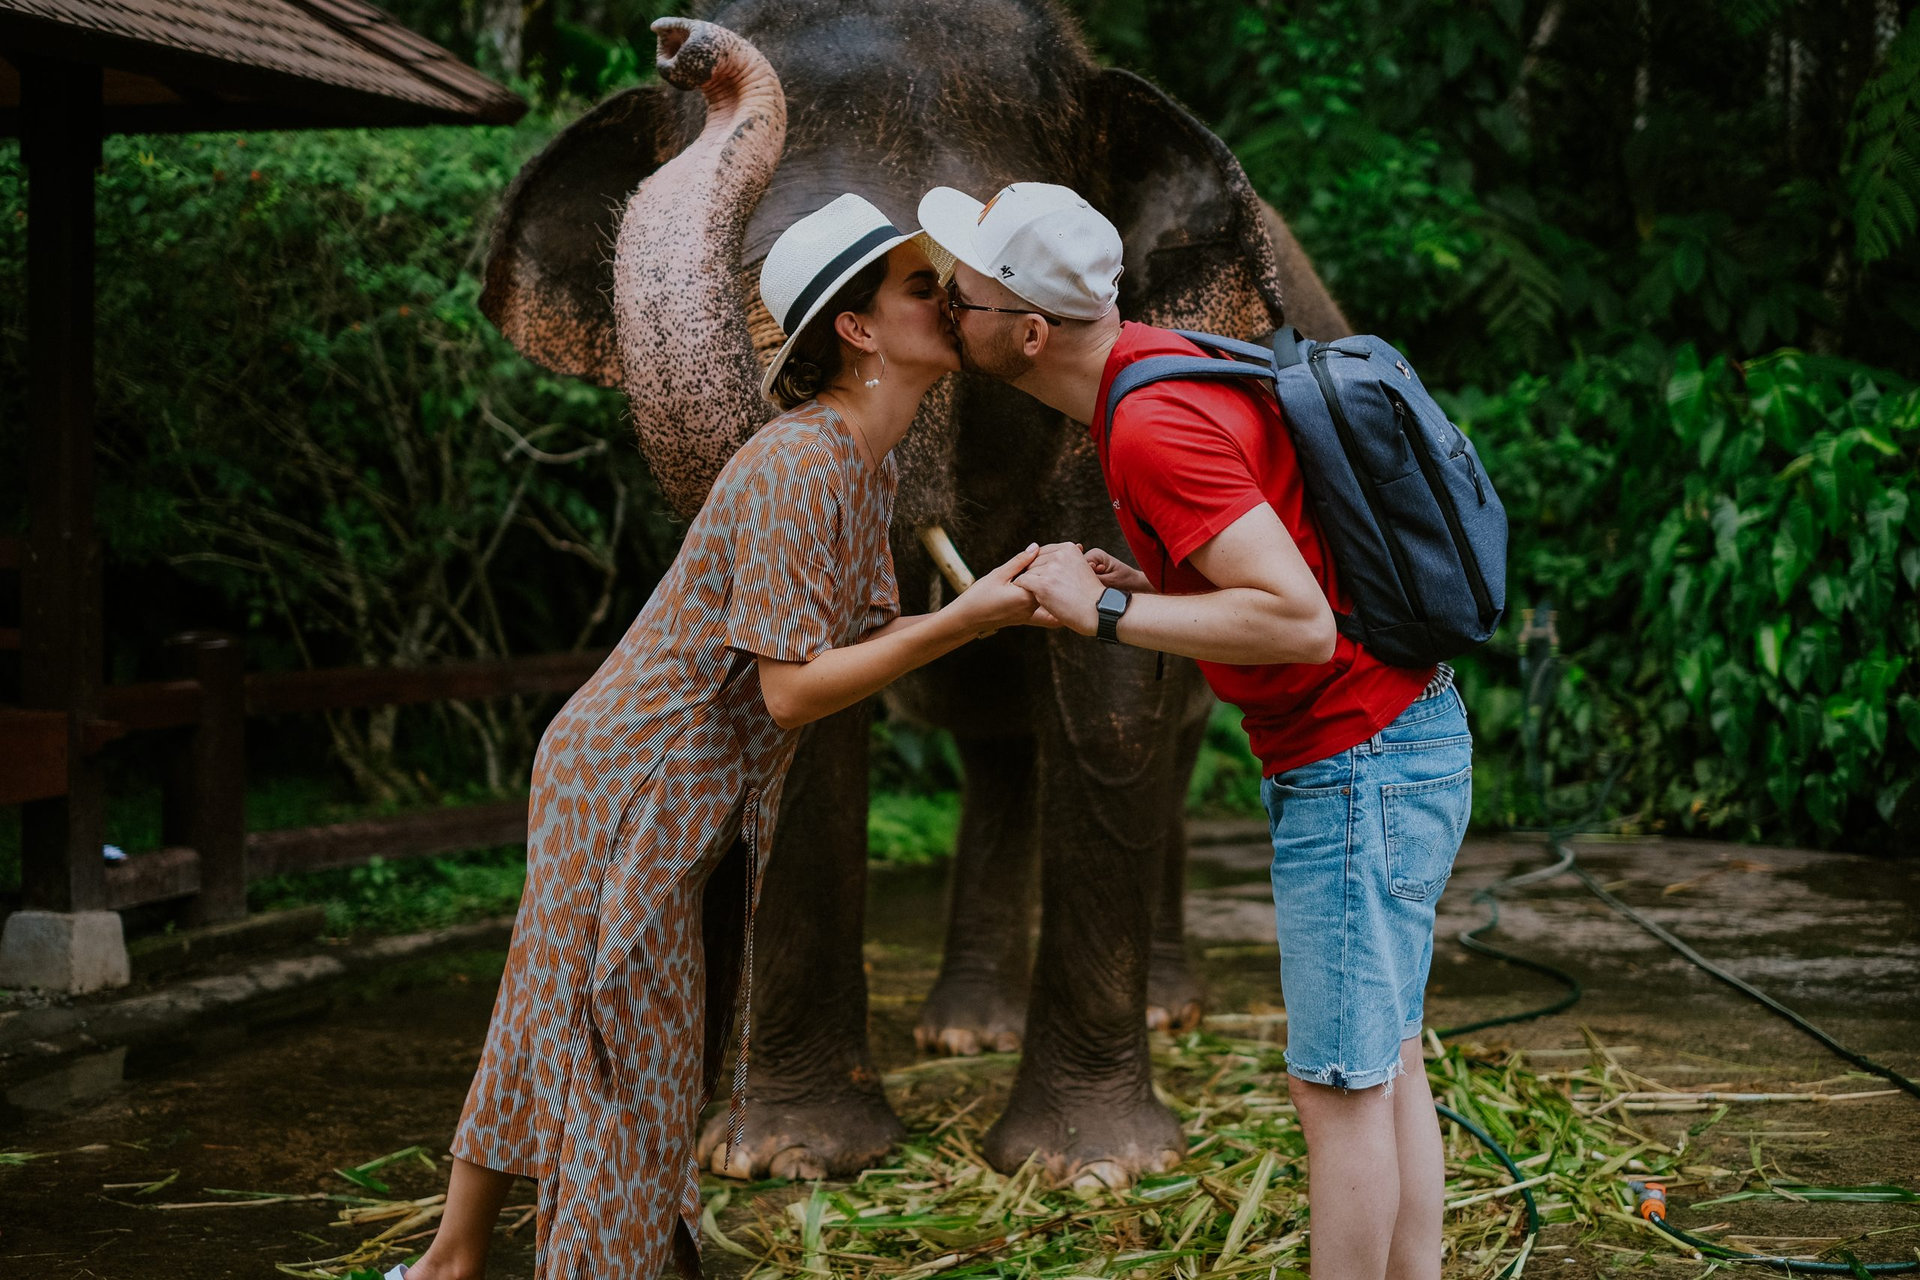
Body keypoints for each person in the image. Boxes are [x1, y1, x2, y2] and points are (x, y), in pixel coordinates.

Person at [393, 194, 1044, 1280]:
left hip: (678, 775)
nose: (951, 298)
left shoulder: (865, 464)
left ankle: (453, 1258)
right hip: (634, 774)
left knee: (563, 1002)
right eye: (921, 286)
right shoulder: (802, 463)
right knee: (627, 1042)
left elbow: (874, 641)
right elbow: (795, 691)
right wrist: (967, 621)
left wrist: (995, 599)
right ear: (858, 327)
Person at [918, 181, 1471, 1280]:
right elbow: (1273, 556)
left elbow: (1298, 622)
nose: (944, 303)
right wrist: (1149, 580)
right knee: (1385, 1059)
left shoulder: (1151, 424)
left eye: (961, 292)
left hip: (1358, 762)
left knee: (1338, 1083)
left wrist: (1110, 612)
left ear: (1028, 332)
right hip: (1392, 744)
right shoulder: (1157, 365)